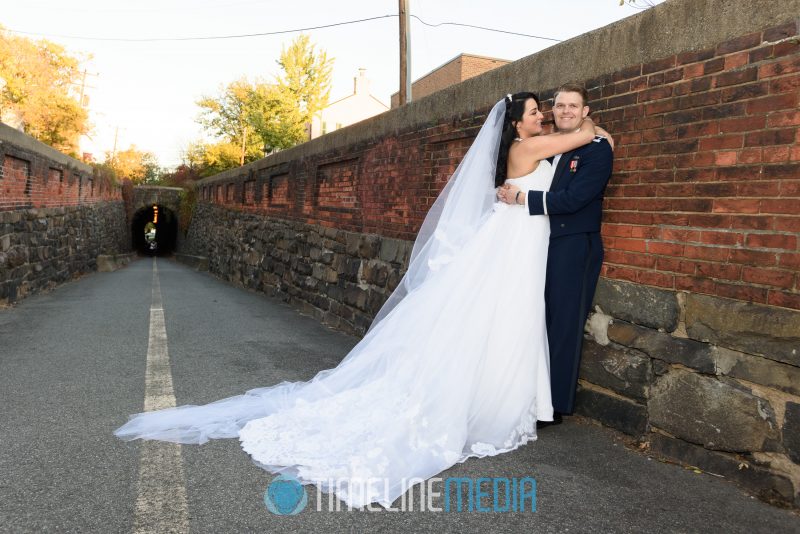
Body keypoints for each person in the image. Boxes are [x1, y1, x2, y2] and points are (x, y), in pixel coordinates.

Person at [114, 93, 605, 508]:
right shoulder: (530, 148)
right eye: (538, 110)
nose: (544, 115)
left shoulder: (532, 148)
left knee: (507, 320)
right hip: (511, 245)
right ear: (517, 123)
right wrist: (594, 125)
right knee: (501, 317)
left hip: (519, 244)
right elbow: (585, 135)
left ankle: (505, 395)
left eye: (548, 110)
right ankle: (489, 402)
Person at [498, 83, 614, 424]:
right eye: (559, 106)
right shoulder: (547, 145)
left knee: (563, 323)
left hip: (575, 243)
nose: (564, 111)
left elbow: (574, 200)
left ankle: (554, 406)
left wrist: (523, 200)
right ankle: (533, 394)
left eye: (573, 106)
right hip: (541, 243)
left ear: (585, 111)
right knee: (536, 318)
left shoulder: (598, 150)